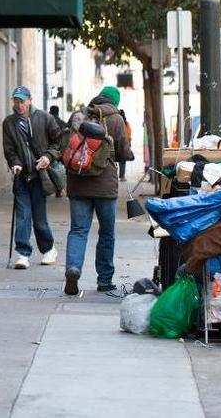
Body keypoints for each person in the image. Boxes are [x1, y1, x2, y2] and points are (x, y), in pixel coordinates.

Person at [62, 86, 134, 295]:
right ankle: (104, 280)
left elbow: (67, 144)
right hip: (105, 187)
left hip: (77, 183)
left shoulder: (81, 115)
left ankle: (73, 268)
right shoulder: (116, 119)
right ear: (114, 102)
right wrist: (127, 155)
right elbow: (123, 150)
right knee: (107, 233)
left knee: (78, 230)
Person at [2, 86, 62, 269]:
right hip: (22, 176)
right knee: (22, 216)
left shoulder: (44, 118)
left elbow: (59, 141)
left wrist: (48, 156)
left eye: (22, 101)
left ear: (30, 100)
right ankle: (23, 253)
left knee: (39, 217)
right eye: (16, 101)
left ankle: (48, 249)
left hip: (40, 176)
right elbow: (9, 149)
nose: (19, 105)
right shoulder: (9, 123)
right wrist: (15, 163)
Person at [118, 109, 132, 182]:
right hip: (125, 143)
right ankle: (122, 176)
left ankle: (119, 175)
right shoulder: (126, 123)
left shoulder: (117, 122)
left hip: (118, 142)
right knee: (123, 160)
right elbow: (129, 134)